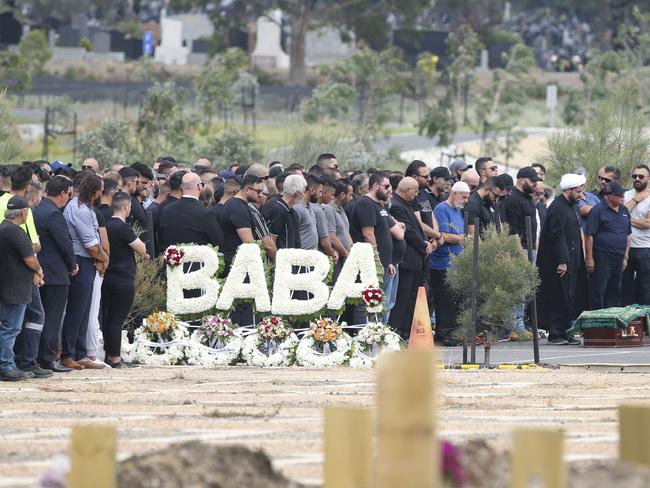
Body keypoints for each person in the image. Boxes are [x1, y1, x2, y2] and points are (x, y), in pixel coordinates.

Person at [61, 174, 109, 370]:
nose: (101, 193)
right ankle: (68, 354)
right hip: (81, 260)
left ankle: (80, 353)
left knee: (83, 309)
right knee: (76, 309)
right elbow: (90, 244)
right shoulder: (79, 209)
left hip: (87, 261)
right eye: (101, 190)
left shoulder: (86, 207)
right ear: (96, 191)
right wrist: (104, 258)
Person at [537, 173, 586, 345]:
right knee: (558, 296)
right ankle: (555, 333)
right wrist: (562, 260)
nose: (581, 194)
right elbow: (557, 236)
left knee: (569, 296)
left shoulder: (572, 206)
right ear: (569, 190)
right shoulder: (558, 207)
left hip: (572, 259)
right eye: (579, 191)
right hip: (559, 261)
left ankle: (566, 331)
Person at [34, 177, 77, 373]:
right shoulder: (54, 214)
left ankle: (35, 357)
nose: (69, 198)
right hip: (55, 273)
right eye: (69, 194)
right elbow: (64, 243)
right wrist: (72, 264)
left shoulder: (37, 210)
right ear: (62, 194)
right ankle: (47, 359)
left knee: (38, 317)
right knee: (52, 317)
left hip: (39, 271)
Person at [102, 192, 149, 368]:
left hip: (109, 277)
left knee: (108, 318)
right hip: (122, 278)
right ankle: (115, 358)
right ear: (125, 207)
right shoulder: (122, 227)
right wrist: (144, 253)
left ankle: (108, 354)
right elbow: (140, 247)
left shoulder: (107, 225)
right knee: (116, 320)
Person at [0, 196, 44, 381]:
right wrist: (39, 270)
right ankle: (6, 366)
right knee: (11, 328)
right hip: (15, 288)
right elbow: (29, 259)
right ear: (24, 212)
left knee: (6, 327)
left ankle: (7, 364)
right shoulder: (16, 232)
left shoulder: (3, 228)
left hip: (7, 285)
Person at [389, 177, 435, 339]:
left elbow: (417, 227)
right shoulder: (396, 205)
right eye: (415, 192)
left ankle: (406, 330)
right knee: (403, 298)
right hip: (407, 259)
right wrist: (423, 245)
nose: (416, 195)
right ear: (407, 190)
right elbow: (408, 231)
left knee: (412, 298)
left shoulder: (405, 204)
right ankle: (397, 331)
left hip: (416, 260)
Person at [429, 182, 470, 345]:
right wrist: (464, 238)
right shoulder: (441, 209)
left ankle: (453, 332)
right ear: (454, 194)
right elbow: (444, 235)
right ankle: (444, 333)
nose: (466, 200)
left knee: (454, 301)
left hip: (458, 263)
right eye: (464, 197)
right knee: (444, 300)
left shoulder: (459, 211)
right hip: (443, 262)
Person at [349, 172, 403, 295]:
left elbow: (385, 234)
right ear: (376, 186)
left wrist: (388, 262)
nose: (390, 190)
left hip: (384, 263)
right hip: (370, 264)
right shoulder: (365, 203)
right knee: (368, 304)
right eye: (386, 186)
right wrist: (377, 260)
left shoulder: (379, 205)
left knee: (382, 305)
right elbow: (368, 234)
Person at [585, 181, 632, 309]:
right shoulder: (598, 210)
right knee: (599, 289)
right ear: (608, 196)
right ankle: (597, 322)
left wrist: (625, 257)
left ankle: (613, 322)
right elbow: (589, 235)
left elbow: (628, 235)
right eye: (619, 195)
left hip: (619, 256)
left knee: (615, 289)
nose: (623, 197)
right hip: (601, 256)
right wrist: (589, 258)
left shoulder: (624, 210)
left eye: (623, 195)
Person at [158, 172, 223, 250]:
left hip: (172, 259)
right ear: (199, 186)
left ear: (182, 187)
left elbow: (161, 237)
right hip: (196, 260)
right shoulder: (205, 213)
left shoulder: (166, 210)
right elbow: (217, 241)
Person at [220, 174, 264, 270]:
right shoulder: (237, 207)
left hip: (236, 261)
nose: (260, 195)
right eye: (258, 191)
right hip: (236, 263)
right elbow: (249, 243)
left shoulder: (237, 204)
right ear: (247, 189)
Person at [622, 165, 650, 305]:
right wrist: (636, 200)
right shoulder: (627, 195)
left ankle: (645, 322)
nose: (637, 179)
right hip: (626, 248)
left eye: (641, 176)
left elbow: (647, 223)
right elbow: (619, 212)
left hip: (645, 248)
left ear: (648, 178)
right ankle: (628, 323)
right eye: (634, 176)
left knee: (645, 287)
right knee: (625, 287)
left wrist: (626, 218)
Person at [262, 174, 305, 250]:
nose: (304, 195)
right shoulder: (279, 210)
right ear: (297, 193)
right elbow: (272, 239)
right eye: (303, 192)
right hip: (281, 258)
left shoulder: (292, 212)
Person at [323, 179, 352, 279]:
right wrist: (346, 253)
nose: (351, 198)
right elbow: (332, 237)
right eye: (350, 195)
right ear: (342, 195)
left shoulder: (341, 209)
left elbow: (346, 233)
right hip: (336, 258)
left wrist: (352, 252)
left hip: (345, 257)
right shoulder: (329, 209)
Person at [293, 175, 321, 251]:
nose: (320, 195)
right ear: (312, 190)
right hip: (301, 258)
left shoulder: (309, 208)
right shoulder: (298, 209)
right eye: (319, 191)